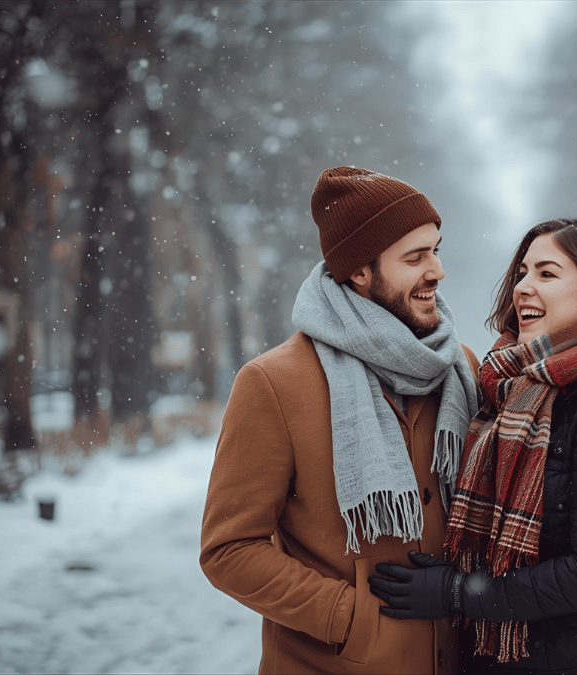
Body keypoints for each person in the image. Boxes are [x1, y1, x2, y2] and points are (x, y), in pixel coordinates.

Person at [200, 166, 480, 674]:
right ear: (359, 271)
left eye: (436, 250)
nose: (437, 271)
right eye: (415, 257)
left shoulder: (459, 368)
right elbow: (230, 549)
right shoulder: (273, 383)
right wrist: (350, 618)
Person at [369, 217, 577, 674]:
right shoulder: (511, 388)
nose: (522, 288)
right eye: (522, 273)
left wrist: (455, 592)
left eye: (547, 274)